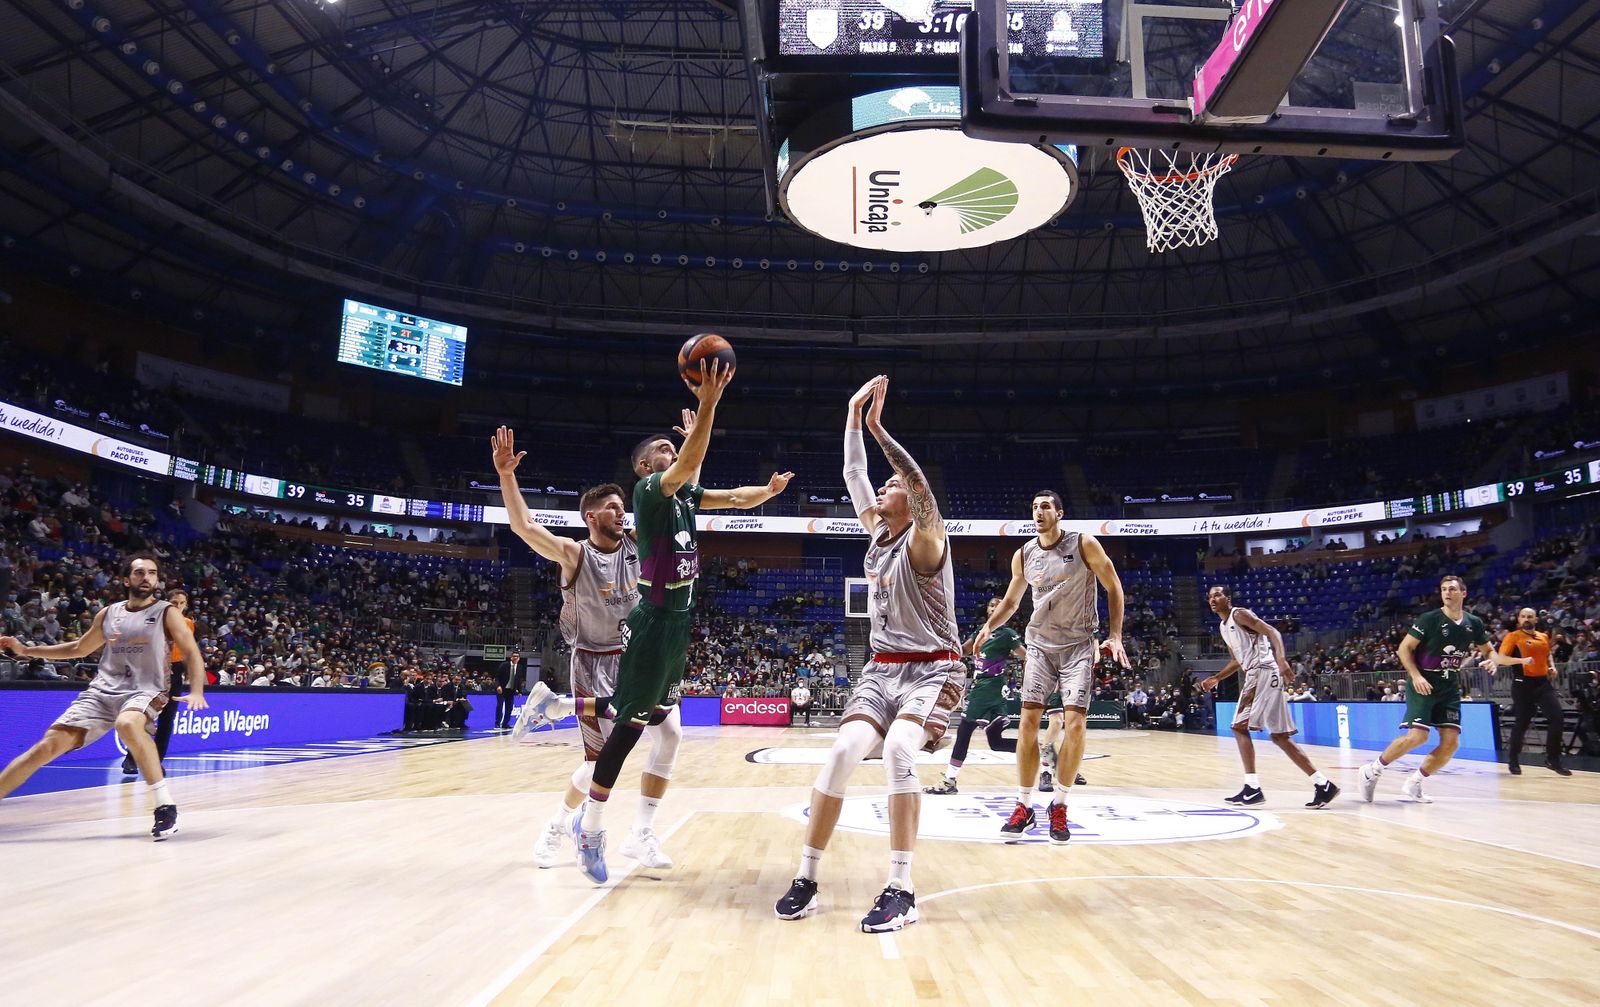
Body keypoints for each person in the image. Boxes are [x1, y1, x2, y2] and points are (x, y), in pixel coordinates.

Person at [521, 359, 794, 884]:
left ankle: (635, 827)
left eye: (674, 448)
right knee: (628, 730)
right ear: (646, 468)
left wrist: (768, 492)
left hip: (680, 621)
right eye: (662, 452)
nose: (673, 452)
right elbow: (688, 463)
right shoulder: (649, 494)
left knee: (665, 728)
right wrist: (709, 405)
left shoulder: (685, 494)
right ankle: (591, 827)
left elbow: (734, 497)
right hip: (652, 619)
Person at [772, 375, 963, 933]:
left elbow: (922, 489)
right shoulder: (878, 534)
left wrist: (879, 428)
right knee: (840, 753)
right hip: (882, 669)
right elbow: (854, 474)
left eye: (891, 486)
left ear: (911, 500)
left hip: (934, 666)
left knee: (901, 750)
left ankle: (901, 887)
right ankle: (807, 876)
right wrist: (852, 416)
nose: (881, 490)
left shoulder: (926, 539)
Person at [495, 433, 682, 875]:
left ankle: (641, 833)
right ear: (591, 516)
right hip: (592, 661)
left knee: (671, 735)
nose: (622, 513)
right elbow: (524, 527)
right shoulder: (574, 554)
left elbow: (676, 499)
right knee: (598, 763)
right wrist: (507, 476)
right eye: (613, 508)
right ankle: (559, 825)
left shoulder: (639, 543)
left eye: (624, 506)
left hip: (638, 655)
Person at [0, 552, 207, 839]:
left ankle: (165, 806)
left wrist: (197, 690)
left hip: (146, 688)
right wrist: (25, 651)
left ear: (157, 580)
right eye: (139, 572)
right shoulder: (110, 613)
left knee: (127, 724)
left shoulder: (166, 612)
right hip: (102, 691)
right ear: (126, 579)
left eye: (151, 573)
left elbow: (191, 651)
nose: (146, 577)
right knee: (45, 748)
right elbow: (78, 650)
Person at [976, 489, 1129, 844]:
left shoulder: (1084, 544)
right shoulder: (1024, 554)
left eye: (1045, 506)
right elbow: (1013, 601)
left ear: (1059, 513)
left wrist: (1116, 634)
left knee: (1074, 726)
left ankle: (1059, 804)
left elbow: (1114, 586)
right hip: (1040, 647)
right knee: (1028, 723)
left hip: (1077, 645)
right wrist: (989, 626)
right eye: (1034, 507)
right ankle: (1024, 804)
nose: (1039, 512)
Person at [1358, 575, 1527, 803]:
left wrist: (1493, 660)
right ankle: (1372, 770)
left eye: (1452, 589)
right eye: (1443, 589)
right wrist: (1415, 676)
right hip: (1424, 682)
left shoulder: (1473, 623)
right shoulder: (1429, 619)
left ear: (1463, 593)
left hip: (1449, 686)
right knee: (1418, 736)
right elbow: (1403, 649)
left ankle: (1415, 782)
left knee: (1451, 743)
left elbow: (1489, 651)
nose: (1447, 592)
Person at [1198, 585, 1339, 808]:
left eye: (1217, 595)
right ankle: (1323, 785)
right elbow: (1237, 661)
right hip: (1263, 673)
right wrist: (1217, 678)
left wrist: (1282, 660)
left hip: (1262, 670)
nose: (1212, 599)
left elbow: (1273, 632)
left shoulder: (1239, 614)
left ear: (1228, 598)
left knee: (1238, 727)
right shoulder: (1224, 627)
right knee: (1279, 736)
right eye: (1209, 597)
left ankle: (1252, 788)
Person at [924, 597, 1025, 796]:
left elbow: (1025, 655)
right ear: (987, 609)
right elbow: (963, 651)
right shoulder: (981, 631)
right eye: (991, 604)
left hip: (990, 685)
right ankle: (1041, 754)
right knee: (996, 743)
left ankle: (950, 779)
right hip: (984, 686)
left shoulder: (1007, 634)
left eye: (999, 604)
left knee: (965, 729)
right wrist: (941, 653)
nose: (995, 606)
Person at [121, 587, 194, 775]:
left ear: (186, 605)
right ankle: (131, 758)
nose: (178, 606)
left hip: (175, 670)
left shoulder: (187, 623)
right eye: (175, 602)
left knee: (167, 719)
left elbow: (187, 651)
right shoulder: (154, 620)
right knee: (145, 716)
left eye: (182, 603)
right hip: (152, 669)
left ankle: (156, 761)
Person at [1499, 607, 1571, 776]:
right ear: (1519, 619)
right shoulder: (1513, 636)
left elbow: (1547, 655)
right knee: (1522, 722)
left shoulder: (1543, 636)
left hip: (1542, 683)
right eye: (1523, 616)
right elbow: (1501, 658)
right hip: (1522, 683)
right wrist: (1521, 660)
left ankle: (1553, 759)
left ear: (1536, 620)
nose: (1526, 619)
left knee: (1557, 717)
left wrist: (1551, 666)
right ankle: (1513, 759)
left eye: (1530, 617)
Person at [495, 649, 525, 730]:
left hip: (511, 690)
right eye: (514, 656)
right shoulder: (504, 665)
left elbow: (519, 680)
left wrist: (519, 691)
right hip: (502, 689)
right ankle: (497, 723)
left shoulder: (520, 667)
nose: (515, 658)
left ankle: (505, 723)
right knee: (500, 706)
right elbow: (497, 676)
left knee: (509, 708)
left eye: (517, 657)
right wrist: (498, 686)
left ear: (519, 658)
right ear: (511, 657)